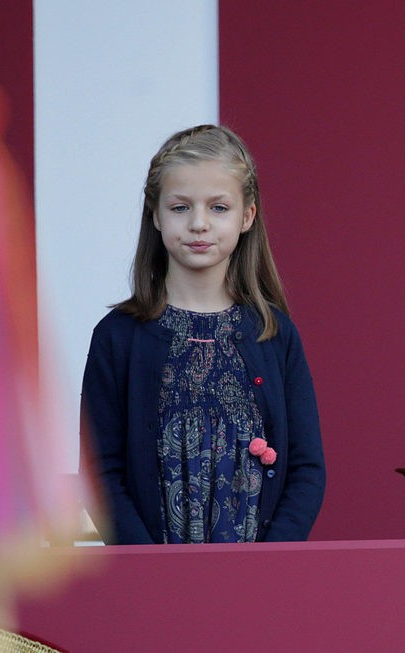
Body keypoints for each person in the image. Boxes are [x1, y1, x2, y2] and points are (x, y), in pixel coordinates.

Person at [80, 124, 325, 544]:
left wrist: (273, 558)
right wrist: (149, 565)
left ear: (247, 216)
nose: (198, 224)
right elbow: (101, 472)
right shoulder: (117, 337)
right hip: (152, 583)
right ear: (155, 214)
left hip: (258, 579)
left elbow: (306, 469)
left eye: (218, 208)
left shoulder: (275, 334)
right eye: (180, 208)